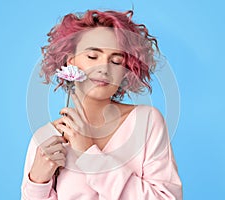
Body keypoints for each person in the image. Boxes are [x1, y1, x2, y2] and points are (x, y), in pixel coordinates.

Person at [21, 9, 182, 200]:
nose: (104, 69)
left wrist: (89, 155)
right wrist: (37, 182)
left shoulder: (147, 122)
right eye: (92, 57)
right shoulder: (46, 138)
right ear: (70, 62)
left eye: (116, 61)